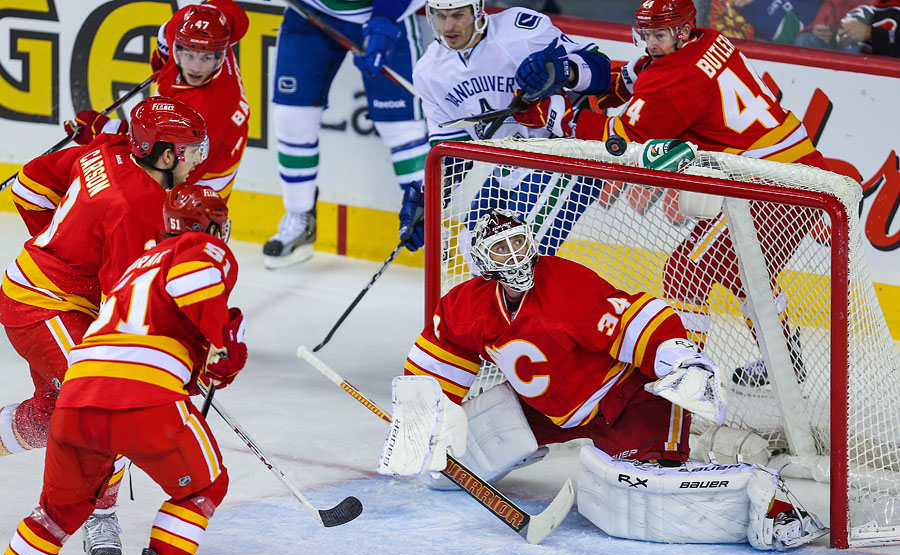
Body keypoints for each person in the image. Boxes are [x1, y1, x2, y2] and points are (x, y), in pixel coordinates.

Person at [379, 208, 827, 551]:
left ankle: (770, 503)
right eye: (501, 249)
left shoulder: (564, 284)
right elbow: (442, 354)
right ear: (481, 260)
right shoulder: (466, 305)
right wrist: (427, 415)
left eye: (519, 241)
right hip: (547, 410)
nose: (514, 255)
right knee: (444, 464)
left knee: (631, 497)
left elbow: (633, 318)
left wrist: (676, 354)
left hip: (628, 403)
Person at [563, 0, 830, 387]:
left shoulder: (675, 79)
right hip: (802, 177)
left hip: (772, 188)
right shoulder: (712, 40)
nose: (651, 44)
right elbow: (655, 77)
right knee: (742, 273)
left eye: (659, 35)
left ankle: (689, 377)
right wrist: (617, 77)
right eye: (648, 34)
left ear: (683, 32)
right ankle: (785, 362)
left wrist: (564, 119)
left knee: (685, 272)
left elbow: (625, 141)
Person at [0, 182, 246, 555]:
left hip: (77, 399)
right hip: (146, 398)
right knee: (204, 487)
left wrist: (209, 350)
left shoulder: (137, 265)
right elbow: (195, 281)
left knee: (55, 515)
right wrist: (220, 344)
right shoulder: (201, 250)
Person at [1, 96, 208, 555]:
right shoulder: (139, 207)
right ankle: (99, 512)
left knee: (52, 415)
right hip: (44, 307)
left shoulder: (108, 148)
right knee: (107, 401)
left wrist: (59, 240)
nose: (198, 159)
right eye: (191, 150)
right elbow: (125, 306)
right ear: (162, 154)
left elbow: (30, 185)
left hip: (43, 295)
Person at [397, 0, 611, 253]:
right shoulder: (429, 71)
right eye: (440, 16)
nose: (449, 26)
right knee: (472, 249)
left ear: (478, 11)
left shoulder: (520, 31)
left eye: (458, 15)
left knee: (514, 254)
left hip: (566, 154)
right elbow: (452, 150)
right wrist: (431, 198)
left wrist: (563, 69)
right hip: (509, 166)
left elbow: (602, 71)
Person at [265, 0, 430, 268]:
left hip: (382, 15)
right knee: (292, 116)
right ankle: (299, 218)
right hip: (309, 10)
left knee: (402, 128)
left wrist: (384, 21)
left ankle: (431, 228)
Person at [65, 1, 250, 203]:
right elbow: (223, 10)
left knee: (185, 221)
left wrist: (106, 132)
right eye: (189, 55)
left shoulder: (210, 108)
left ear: (220, 56)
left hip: (206, 170)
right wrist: (162, 51)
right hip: (187, 139)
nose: (196, 68)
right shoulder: (195, 23)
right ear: (177, 47)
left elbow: (163, 164)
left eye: (206, 58)